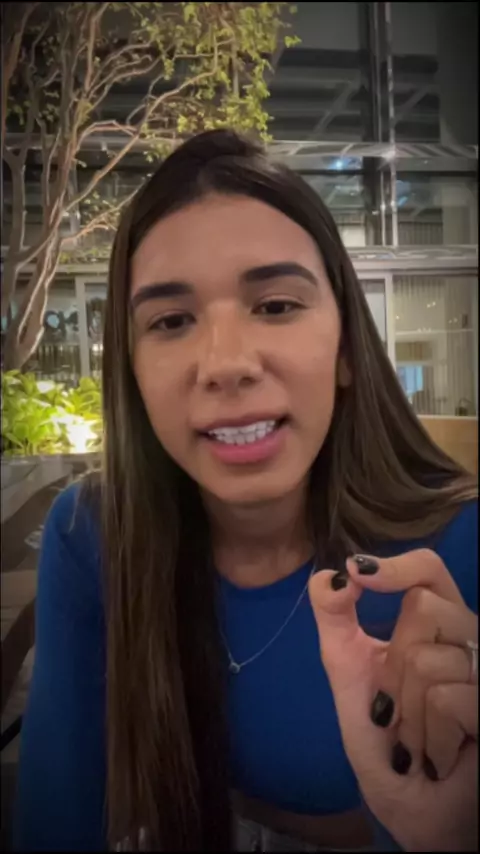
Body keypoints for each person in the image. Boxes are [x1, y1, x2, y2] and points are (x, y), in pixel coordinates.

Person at [14, 130, 478, 852]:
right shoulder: (96, 534)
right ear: (132, 373)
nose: (225, 364)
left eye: (277, 305)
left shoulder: (456, 551)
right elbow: (56, 822)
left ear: (347, 349)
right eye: (171, 321)